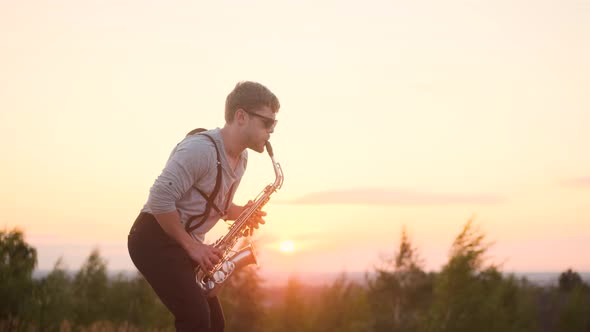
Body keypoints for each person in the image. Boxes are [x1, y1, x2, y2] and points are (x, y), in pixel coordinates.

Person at [128, 81, 280, 332]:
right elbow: (159, 198)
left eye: (274, 124)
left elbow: (215, 200)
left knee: (215, 324)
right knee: (196, 318)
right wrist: (192, 246)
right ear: (241, 116)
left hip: (183, 243)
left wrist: (239, 212)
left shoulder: (241, 159)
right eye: (267, 122)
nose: (271, 131)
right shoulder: (199, 149)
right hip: (152, 237)